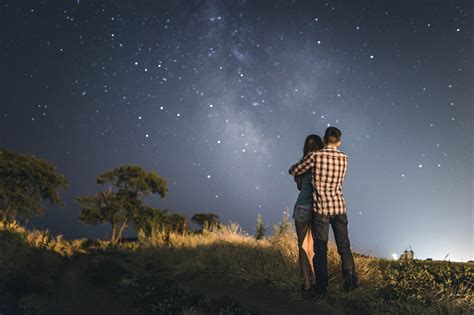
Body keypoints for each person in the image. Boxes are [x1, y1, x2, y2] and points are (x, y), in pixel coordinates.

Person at [289, 127, 358, 296]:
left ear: (324, 139)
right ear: (339, 142)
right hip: (339, 207)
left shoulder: (315, 156)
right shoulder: (345, 158)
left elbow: (294, 171)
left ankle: (321, 288)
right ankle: (350, 283)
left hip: (322, 208)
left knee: (320, 249)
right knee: (344, 246)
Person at [292, 134, 324, 299]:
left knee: (303, 247)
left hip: (302, 207)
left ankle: (307, 284)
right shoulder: (323, 164)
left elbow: (299, 186)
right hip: (318, 208)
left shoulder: (302, 165)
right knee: (314, 248)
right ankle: (318, 283)